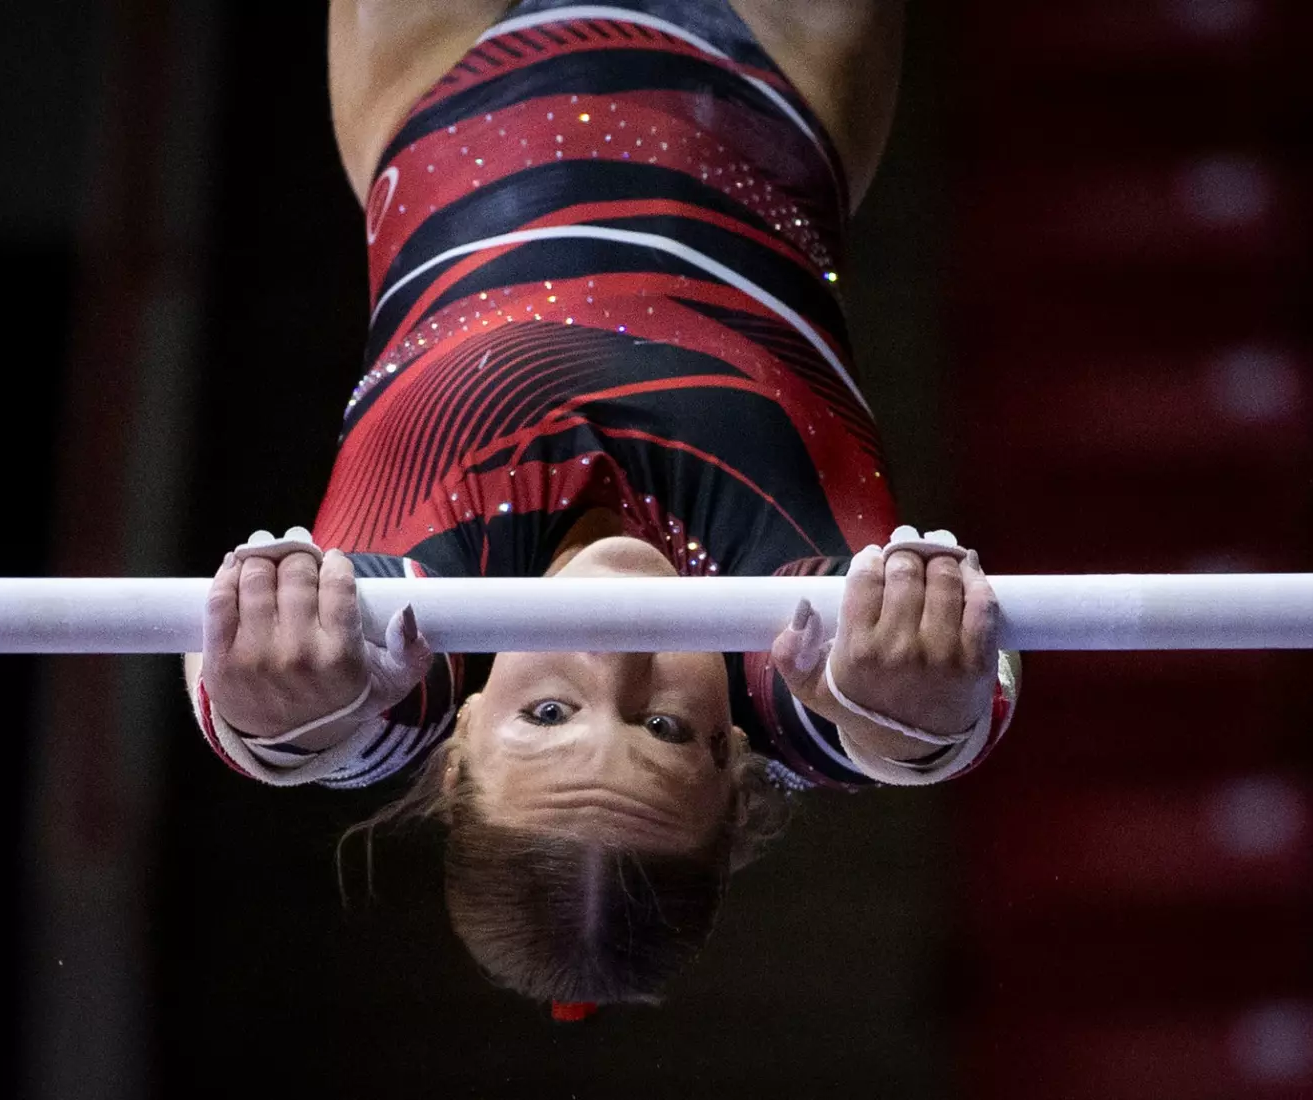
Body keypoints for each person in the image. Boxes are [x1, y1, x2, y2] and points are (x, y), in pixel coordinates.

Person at [184, 0, 1020, 1011]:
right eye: (665, 728)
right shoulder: (792, 652)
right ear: (733, 758)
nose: (613, 658)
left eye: (547, 711)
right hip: (768, 70)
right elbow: (890, 725)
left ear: (455, 751)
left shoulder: (411, 648)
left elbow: (303, 725)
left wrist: (277, 723)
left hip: (443, 65)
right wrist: (917, 711)